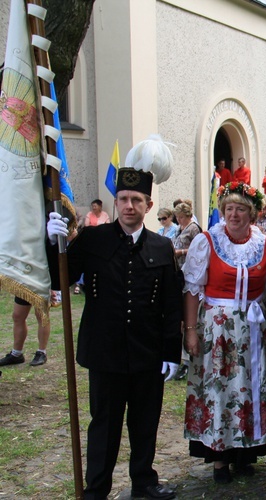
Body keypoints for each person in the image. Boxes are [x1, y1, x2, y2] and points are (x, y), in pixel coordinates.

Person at [46, 135, 182, 500]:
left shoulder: (162, 246)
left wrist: (172, 351)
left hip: (147, 352)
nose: (128, 206)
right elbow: (58, 275)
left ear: (149, 204)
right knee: (103, 425)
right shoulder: (92, 240)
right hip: (104, 351)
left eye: (136, 200)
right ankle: (97, 489)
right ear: (115, 200)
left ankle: (144, 483)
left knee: (144, 423)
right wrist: (52, 243)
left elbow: (171, 304)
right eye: (122, 199)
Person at [182, 181, 266, 484]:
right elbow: (193, 290)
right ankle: (220, 457)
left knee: (248, 387)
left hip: (252, 328)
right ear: (223, 211)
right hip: (217, 329)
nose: (234, 214)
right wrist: (192, 332)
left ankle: (245, 453)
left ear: (252, 213)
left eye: (241, 209)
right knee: (219, 388)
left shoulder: (264, 243)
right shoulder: (207, 241)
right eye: (229, 208)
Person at [0, 297, 51, 367]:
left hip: (43, 287)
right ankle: (16, 354)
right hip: (25, 286)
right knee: (18, 315)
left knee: (41, 315)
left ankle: (42, 352)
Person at [172, 203, 201, 268]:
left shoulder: (193, 228)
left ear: (188, 216)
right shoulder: (178, 227)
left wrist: (182, 252)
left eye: (181, 217)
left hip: (189, 265)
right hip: (178, 264)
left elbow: (198, 248)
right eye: (177, 217)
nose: (178, 219)